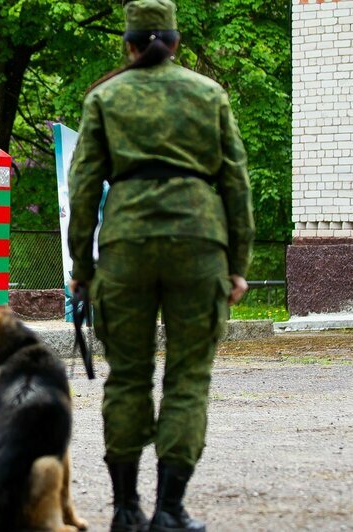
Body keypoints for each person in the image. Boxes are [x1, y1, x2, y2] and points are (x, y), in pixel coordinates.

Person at [67, 1, 255, 531]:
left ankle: (126, 510)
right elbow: (235, 184)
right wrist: (237, 264)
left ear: (129, 43)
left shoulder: (105, 97)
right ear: (173, 42)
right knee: (188, 378)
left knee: (126, 377)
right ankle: (170, 511)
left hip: (126, 245)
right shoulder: (208, 94)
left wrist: (83, 265)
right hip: (200, 244)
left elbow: (83, 188)